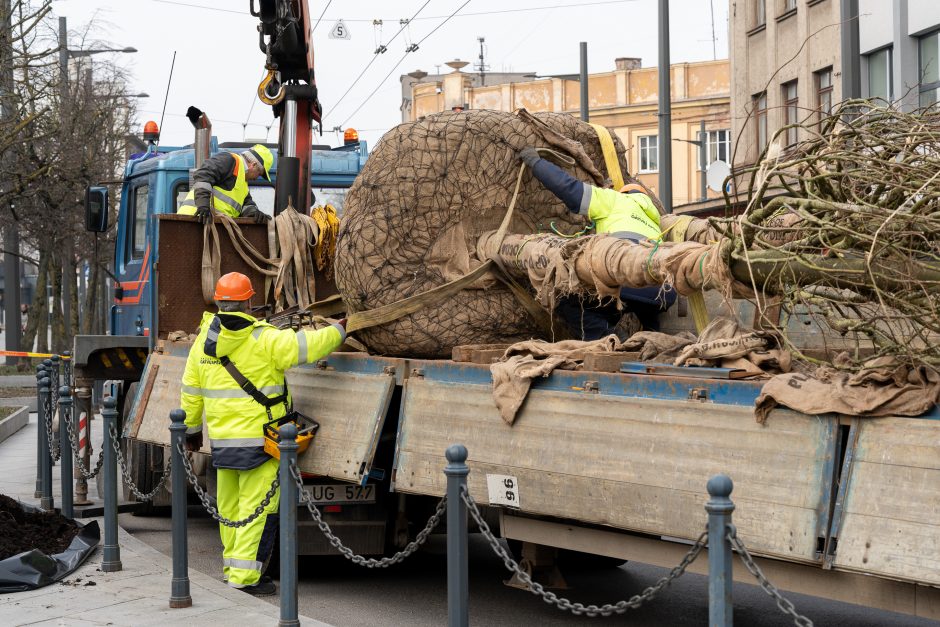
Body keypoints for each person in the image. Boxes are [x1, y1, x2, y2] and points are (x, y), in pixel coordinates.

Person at [180, 272, 346, 595]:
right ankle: (244, 580)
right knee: (259, 512)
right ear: (248, 302)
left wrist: (191, 430)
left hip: (224, 445)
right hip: (263, 444)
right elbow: (307, 346)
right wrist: (339, 330)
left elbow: (190, 391)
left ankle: (232, 570)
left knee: (229, 511)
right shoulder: (264, 339)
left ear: (218, 302)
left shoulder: (203, 341)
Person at [517, 146, 677, 339]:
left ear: (623, 194)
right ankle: (653, 340)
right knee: (638, 305)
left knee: (567, 300)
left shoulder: (615, 200)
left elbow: (569, 188)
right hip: (662, 291)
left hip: (624, 277)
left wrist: (537, 163)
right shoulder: (655, 220)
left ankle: (612, 343)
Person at [178, 144, 275, 224]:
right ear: (253, 165)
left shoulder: (242, 184)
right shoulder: (230, 160)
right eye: (259, 173)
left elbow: (246, 206)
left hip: (210, 223)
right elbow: (203, 175)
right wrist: (203, 205)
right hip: (193, 219)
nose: (256, 178)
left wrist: (255, 213)